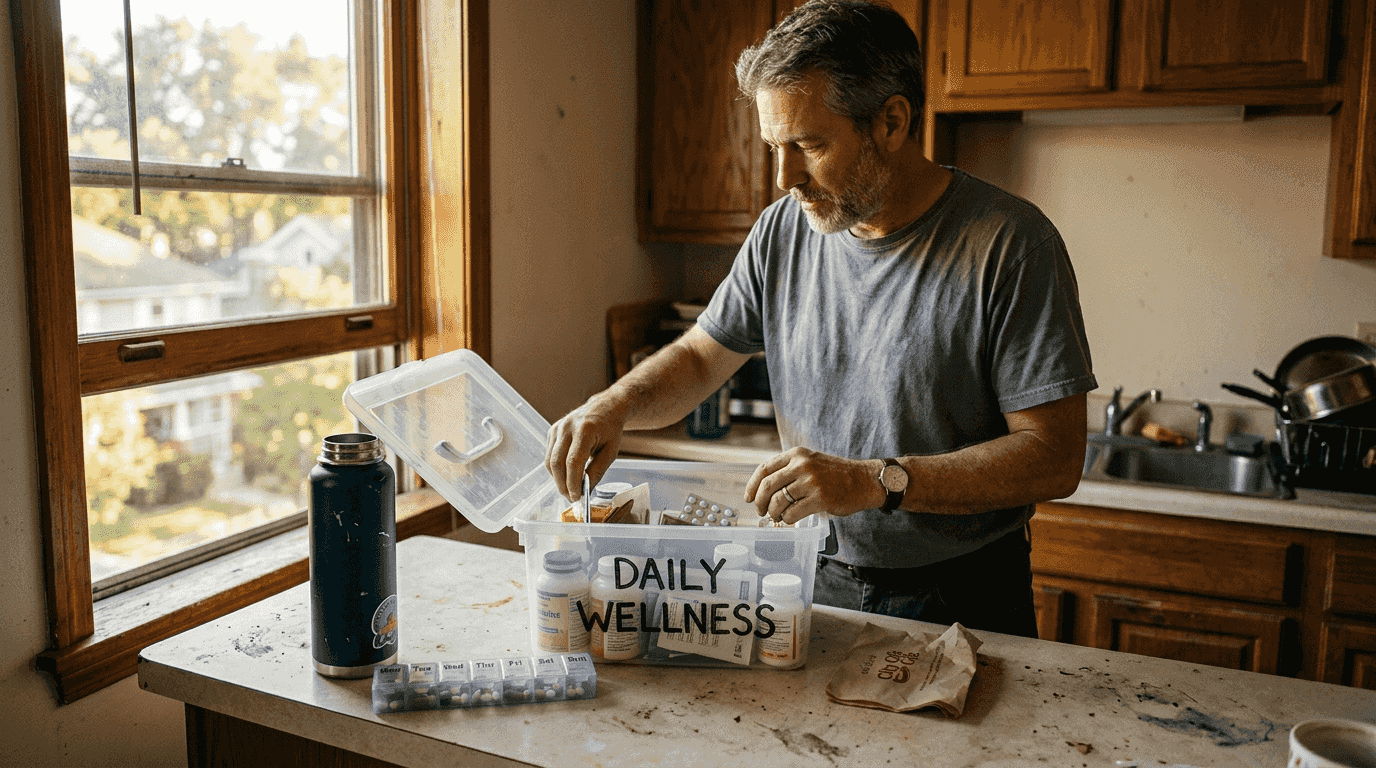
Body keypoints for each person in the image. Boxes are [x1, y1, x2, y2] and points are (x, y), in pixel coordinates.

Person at [544, 0, 1096, 638]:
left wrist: (874, 482)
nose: (783, 178)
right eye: (776, 146)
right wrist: (612, 405)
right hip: (809, 574)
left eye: (808, 145)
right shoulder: (784, 231)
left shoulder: (1011, 244)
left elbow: (1054, 457)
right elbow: (700, 357)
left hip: (963, 591)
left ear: (891, 121)